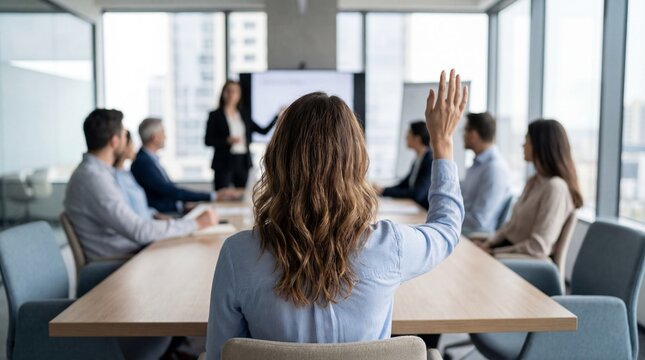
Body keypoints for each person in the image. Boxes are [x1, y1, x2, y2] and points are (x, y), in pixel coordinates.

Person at [206, 70, 468, 360]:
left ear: (277, 159)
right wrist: (442, 145)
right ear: (356, 162)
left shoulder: (237, 254)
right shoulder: (389, 246)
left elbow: (221, 354)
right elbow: (447, 229)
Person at [64, 109, 218, 261]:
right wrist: (195, 223)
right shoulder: (94, 179)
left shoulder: (99, 173)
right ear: (114, 141)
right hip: (120, 262)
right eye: (125, 135)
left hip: (132, 252)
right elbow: (139, 231)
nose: (129, 142)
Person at [473, 119, 583, 258]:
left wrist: (494, 253)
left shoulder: (555, 188)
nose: (523, 145)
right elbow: (510, 228)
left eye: (527, 140)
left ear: (541, 146)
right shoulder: (534, 182)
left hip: (521, 262)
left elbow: (538, 247)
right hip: (507, 251)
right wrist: (488, 243)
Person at [131, 118, 221, 214]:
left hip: (170, 211)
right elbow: (168, 191)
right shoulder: (143, 162)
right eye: (163, 132)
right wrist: (211, 196)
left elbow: (168, 190)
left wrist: (183, 204)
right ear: (155, 137)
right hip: (163, 215)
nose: (165, 136)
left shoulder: (149, 159)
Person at [204, 80, 279, 191]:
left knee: (243, 195)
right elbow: (208, 141)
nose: (231, 94)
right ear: (223, 93)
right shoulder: (215, 115)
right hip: (223, 162)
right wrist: (226, 140)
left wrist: (277, 116)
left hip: (242, 161)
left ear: (239, 95)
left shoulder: (244, 114)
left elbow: (263, 131)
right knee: (221, 194)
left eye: (235, 91)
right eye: (228, 91)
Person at [461, 112, 512, 234]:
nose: (462, 136)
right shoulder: (476, 165)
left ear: (473, 135)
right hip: (462, 231)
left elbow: (478, 221)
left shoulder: (494, 169)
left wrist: (447, 218)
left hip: (475, 237)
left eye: (464, 131)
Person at [375, 121, 434, 209]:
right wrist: (382, 190)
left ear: (417, 138)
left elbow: (417, 194)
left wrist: (383, 191)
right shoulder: (418, 159)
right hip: (415, 208)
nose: (405, 137)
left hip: (424, 211)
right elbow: (404, 184)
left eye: (409, 134)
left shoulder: (429, 161)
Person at [114, 130, 160, 220]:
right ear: (124, 146)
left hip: (149, 221)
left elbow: (140, 208)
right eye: (132, 144)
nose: (134, 148)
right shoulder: (116, 178)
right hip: (143, 227)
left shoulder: (127, 174)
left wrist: (155, 214)